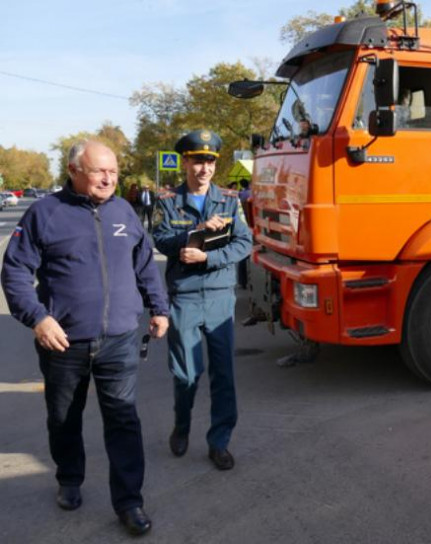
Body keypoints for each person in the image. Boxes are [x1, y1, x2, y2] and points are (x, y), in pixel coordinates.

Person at [1, 140, 169, 536]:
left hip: (120, 340)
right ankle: (69, 479)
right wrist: (39, 319)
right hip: (64, 344)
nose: (109, 178)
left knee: (124, 420)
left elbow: (143, 263)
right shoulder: (45, 213)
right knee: (64, 418)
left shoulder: (124, 211)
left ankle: (130, 502)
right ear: (75, 171)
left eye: (113, 170)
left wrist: (158, 307)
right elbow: (15, 273)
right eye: (99, 171)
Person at [152, 129, 252, 471]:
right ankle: (182, 426)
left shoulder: (228, 200)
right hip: (185, 298)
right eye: (197, 161)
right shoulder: (167, 200)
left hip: (220, 297)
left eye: (210, 161)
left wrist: (209, 258)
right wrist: (193, 237)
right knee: (186, 375)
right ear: (185, 162)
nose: (204, 168)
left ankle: (219, 441)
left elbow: (244, 244)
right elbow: (160, 239)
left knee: (223, 374)